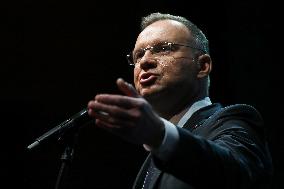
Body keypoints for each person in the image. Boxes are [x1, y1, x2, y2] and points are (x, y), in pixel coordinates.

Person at [87, 12, 273, 189]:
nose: (145, 61)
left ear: (202, 65)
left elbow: (234, 176)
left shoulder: (234, 120)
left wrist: (159, 134)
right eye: (138, 55)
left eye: (163, 48)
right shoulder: (152, 158)